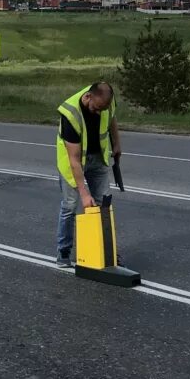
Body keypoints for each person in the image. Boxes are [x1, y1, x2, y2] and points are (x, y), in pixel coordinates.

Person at [55, 82, 122, 267]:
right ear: (88, 97)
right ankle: (64, 252)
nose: (100, 112)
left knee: (104, 205)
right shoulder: (70, 114)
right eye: (97, 108)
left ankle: (108, 254)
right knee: (70, 205)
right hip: (72, 162)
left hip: (98, 157)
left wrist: (117, 142)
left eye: (103, 109)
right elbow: (74, 160)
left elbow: (112, 118)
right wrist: (84, 193)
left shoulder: (107, 100)